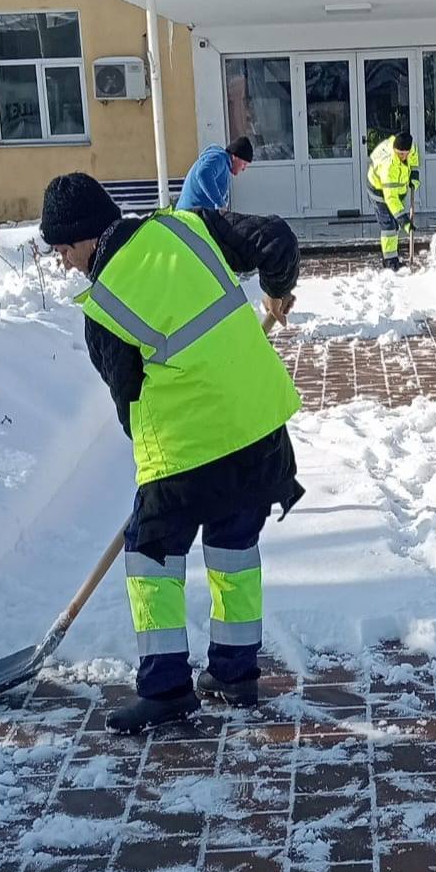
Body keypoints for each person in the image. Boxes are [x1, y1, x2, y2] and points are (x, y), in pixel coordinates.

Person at [39, 172, 302, 733]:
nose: (63, 263)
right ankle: (235, 674)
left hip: (188, 450)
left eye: (62, 249)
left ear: (86, 237)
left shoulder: (104, 305)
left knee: (150, 557)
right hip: (261, 430)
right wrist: (277, 290)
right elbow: (275, 237)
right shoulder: (188, 227)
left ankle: (165, 690)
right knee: (233, 548)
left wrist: (158, 474)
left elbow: (129, 404)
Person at [366, 131, 421, 270]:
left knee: (394, 224)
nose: (404, 156)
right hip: (378, 190)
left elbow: (414, 157)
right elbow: (390, 198)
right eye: (400, 154)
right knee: (389, 226)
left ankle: (391, 255)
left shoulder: (410, 147)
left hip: (395, 189)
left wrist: (414, 174)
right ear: (395, 150)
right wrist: (404, 221)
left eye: (406, 153)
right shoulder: (389, 165)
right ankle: (390, 262)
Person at [177, 135, 253, 212]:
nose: (244, 169)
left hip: (194, 212)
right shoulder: (219, 159)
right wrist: (220, 203)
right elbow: (203, 174)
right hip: (191, 214)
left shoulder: (222, 163)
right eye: (244, 163)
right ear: (234, 156)